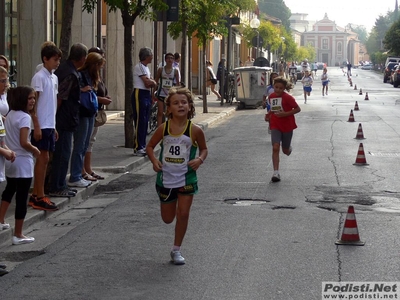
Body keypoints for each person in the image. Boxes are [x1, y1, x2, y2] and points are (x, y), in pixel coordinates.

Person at [146, 87, 208, 265]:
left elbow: (204, 148)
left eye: (184, 102)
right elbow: (150, 146)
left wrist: (200, 160)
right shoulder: (163, 128)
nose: (180, 105)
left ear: (189, 106)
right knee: (168, 218)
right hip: (166, 178)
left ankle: (176, 249)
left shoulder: (195, 130)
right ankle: (175, 243)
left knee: (183, 214)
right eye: (176, 103)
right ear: (169, 109)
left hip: (187, 178)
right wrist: (153, 161)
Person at [0, 86, 39, 245]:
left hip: (11, 160)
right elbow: (24, 142)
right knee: (22, 197)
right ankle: (18, 233)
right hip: (23, 160)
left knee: (10, 190)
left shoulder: (10, 115)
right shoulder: (24, 117)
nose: (32, 101)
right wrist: (35, 149)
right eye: (29, 98)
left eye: (33, 98)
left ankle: (1, 219)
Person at [48, 43, 88, 197]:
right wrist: (54, 118)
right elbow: (60, 98)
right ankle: (57, 186)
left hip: (64, 118)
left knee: (64, 152)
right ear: (83, 58)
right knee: (63, 153)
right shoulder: (70, 73)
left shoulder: (66, 70)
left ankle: (60, 184)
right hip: (64, 119)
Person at [29, 42, 62, 211]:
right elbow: (34, 103)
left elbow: (51, 103)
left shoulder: (53, 77)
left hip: (49, 123)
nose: (57, 63)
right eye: (54, 59)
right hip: (41, 124)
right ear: (45, 59)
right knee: (42, 159)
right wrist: (36, 125)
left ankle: (37, 193)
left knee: (45, 159)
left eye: (58, 60)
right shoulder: (39, 77)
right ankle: (39, 195)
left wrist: (53, 125)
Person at [67, 52, 104, 186]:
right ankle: (76, 175)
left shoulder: (92, 76)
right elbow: (74, 92)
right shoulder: (81, 74)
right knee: (80, 144)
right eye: (99, 66)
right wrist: (83, 90)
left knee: (85, 144)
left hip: (90, 111)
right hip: (83, 112)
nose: (100, 69)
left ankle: (80, 173)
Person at [82, 47, 112, 181]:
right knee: (84, 142)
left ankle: (87, 169)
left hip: (95, 110)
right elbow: (88, 94)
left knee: (90, 142)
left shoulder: (95, 75)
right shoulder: (85, 74)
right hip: (88, 111)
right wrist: (101, 99)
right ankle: (82, 171)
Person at [265, 77, 300, 183]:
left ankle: (288, 148)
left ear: (284, 88)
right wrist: (269, 115)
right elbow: (273, 108)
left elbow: (298, 109)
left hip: (287, 125)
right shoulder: (271, 96)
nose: (278, 90)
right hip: (275, 124)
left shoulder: (288, 98)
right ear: (273, 86)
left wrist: (285, 114)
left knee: (285, 150)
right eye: (276, 87)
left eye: (281, 88)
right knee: (275, 147)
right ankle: (276, 172)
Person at [131, 47, 157, 156]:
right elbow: (147, 82)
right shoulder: (140, 67)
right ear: (146, 56)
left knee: (145, 120)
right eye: (151, 55)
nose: (152, 57)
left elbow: (151, 81)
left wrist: (152, 82)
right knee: (140, 120)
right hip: (139, 93)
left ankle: (142, 145)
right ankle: (138, 147)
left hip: (146, 94)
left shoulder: (146, 68)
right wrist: (153, 82)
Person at [154, 52, 180, 127]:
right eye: (168, 58)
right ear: (165, 60)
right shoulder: (161, 69)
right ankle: (159, 129)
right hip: (161, 93)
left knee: (169, 112)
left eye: (172, 58)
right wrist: (153, 92)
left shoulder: (175, 71)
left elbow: (177, 84)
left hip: (170, 95)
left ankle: (169, 128)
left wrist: (178, 94)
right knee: (160, 112)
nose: (170, 60)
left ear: (173, 60)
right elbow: (156, 80)